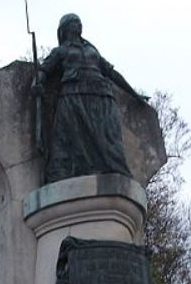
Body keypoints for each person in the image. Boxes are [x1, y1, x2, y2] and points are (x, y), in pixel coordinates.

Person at [32, 13, 148, 183]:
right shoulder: (61, 51)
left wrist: (134, 94)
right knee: (67, 140)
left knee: (108, 139)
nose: (78, 24)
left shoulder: (92, 50)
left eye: (79, 22)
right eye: (73, 22)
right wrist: (36, 84)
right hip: (72, 95)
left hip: (101, 95)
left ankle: (111, 170)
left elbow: (111, 73)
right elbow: (43, 71)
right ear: (64, 29)